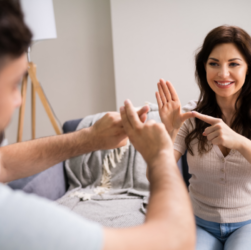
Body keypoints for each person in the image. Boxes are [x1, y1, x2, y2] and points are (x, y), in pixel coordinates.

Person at [0, 1, 195, 249]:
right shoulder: (10, 219)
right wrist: (161, 155)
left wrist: (90, 138)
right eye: (14, 84)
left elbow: (3, 162)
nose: (19, 100)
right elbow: (176, 239)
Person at [155, 25, 251, 250]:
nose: (223, 73)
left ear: (248, 68)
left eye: (234, 64)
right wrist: (169, 131)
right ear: (204, 68)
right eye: (214, 63)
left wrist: (239, 141)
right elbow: (159, 175)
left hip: (247, 223)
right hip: (197, 223)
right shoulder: (190, 116)